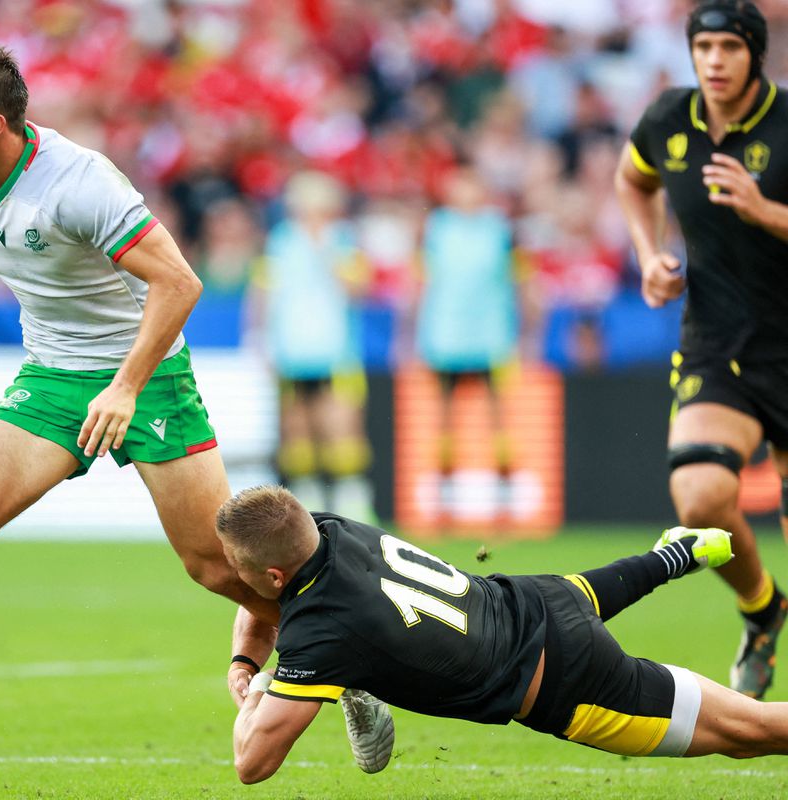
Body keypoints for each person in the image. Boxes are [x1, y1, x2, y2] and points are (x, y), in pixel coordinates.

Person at [0, 44, 382, 777]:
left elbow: (179, 283)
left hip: (150, 372)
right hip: (52, 379)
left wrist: (126, 386)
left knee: (216, 568)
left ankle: (353, 658)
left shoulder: (79, 181)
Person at [217, 484, 788, 785]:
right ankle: (676, 553)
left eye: (237, 571)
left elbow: (253, 764)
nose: (232, 582)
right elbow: (270, 597)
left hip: (567, 680)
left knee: (750, 731)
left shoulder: (323, 633)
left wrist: (255, 692)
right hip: (533, 597)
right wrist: (247, 656)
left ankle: (674, 555)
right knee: (603, 586)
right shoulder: (324, 527)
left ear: (273, 575)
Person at [614, 0, 788, 699]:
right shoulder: (668, 120)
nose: (714, 60)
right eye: (704, 46)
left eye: (729, 47)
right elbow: (633, 180)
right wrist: (648, 253)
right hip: (720, 346)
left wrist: (764, 210)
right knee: (700, 494)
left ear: (755, 53)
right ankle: (763, 609)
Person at [251, 170, 373, 518]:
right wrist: (260, 338)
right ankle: (309, 506)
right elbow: (264, 292)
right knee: (297, 427)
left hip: (334, 350)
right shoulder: (281, 240)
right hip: (291, 349)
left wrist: (328, 253)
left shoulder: (344, 241)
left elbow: (357, 290)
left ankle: (354, 504)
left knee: (341, 425)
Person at [416, 164, 522, 521]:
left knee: (500, 417)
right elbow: (421, 283)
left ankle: (504, 496)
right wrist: (411, 334)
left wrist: (525, 332)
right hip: (445, 337)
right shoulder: (437, 228)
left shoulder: (499, 229)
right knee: (444, 419)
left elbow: (518, 281)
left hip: (491, 336)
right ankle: (444, 498)